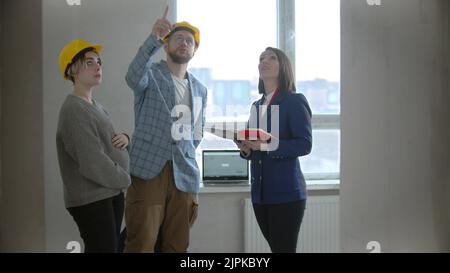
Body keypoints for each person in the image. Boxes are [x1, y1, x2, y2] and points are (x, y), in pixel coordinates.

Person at [124, 7, 207, 253]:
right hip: (148, 171)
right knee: (141, 243)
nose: (184, 43)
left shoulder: (200, 89)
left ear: (194, 50)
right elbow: (131, 76)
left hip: (185, 174)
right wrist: (153, 38)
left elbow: (197, 133)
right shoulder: (150, 75)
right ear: (166, 45)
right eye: (178, 38)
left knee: (177, 245)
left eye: (189, 41)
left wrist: (185, 153)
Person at [56, 39, 131, 253]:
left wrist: (126, 138)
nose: (98, 66)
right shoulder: (74, 110)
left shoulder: (96, 106)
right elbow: (92, 161)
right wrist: (126, 179)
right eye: (89, 62)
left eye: (99, 61)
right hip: (92, 197)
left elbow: (109, 145)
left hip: (109, 192)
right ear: (72, 70)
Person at [235, 47, 312, 253]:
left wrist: (266, 145)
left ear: (283, 66)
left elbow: (304, 144)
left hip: (287, 194)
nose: (264, 61)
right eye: (261, 58)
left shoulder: (294, 101)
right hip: (260, 194)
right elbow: (254, 150)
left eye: (271, 58)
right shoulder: (256, 105)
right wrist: (245, 148)